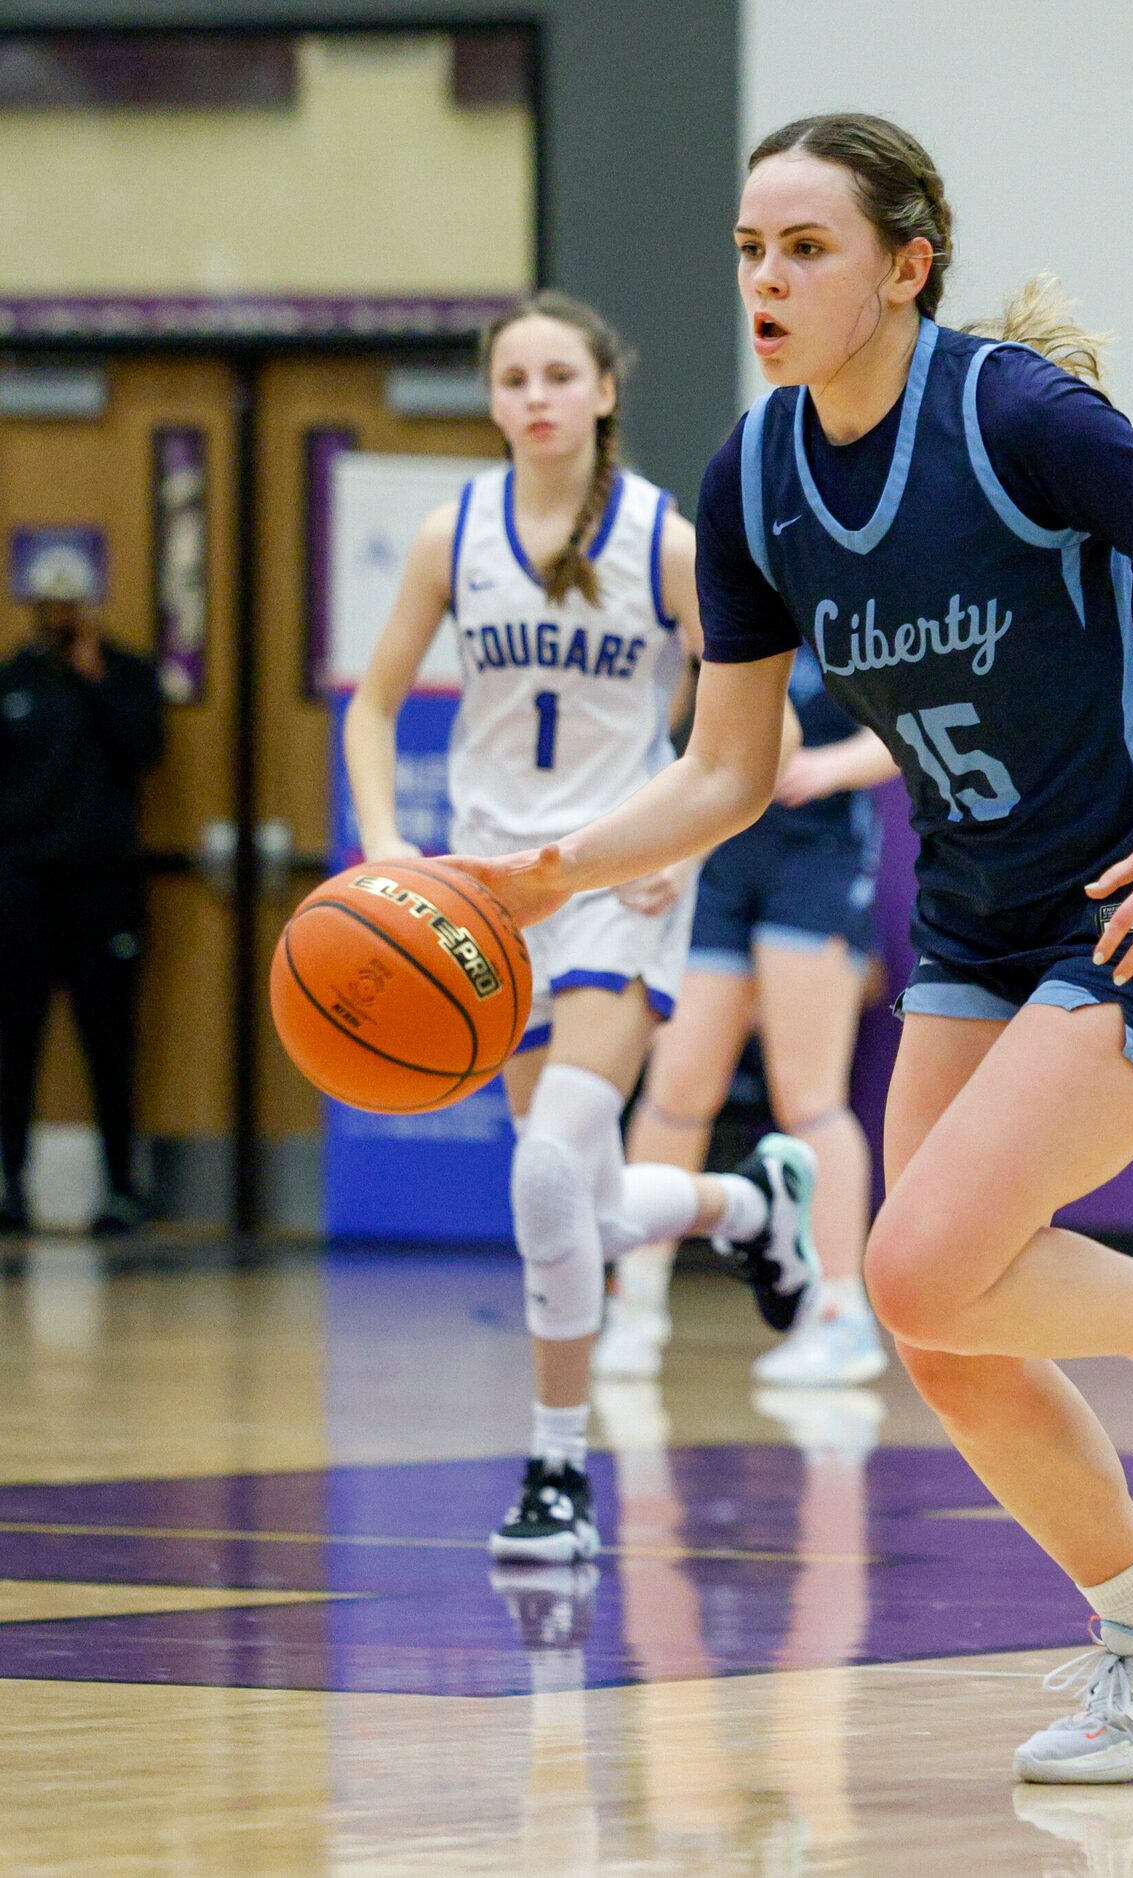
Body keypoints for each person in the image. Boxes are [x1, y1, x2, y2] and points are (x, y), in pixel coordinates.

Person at [451, 113, 1133, 1785]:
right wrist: (537, 873)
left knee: (914, 1263)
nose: (767, 280)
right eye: (749, 252)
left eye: (807, 250)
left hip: (1132, 904)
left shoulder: (1015, 417)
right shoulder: (755, 476)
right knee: (935, 1322)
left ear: (904, 266)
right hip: (977, 917)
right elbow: (727, 773)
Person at [343, 291, 819, 1567]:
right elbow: (373, 706)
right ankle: (745, 1206)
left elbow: (765, 734)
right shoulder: (453, 535)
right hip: (487, 904)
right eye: (515, 378)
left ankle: (556, 1471)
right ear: (494, 400)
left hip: (614, 883)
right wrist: (389, 847)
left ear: (606, 390)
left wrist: (688, 844)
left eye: (561, 374)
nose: (538, 396)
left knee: (549, 1174)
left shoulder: (667, 537)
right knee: (575, 1202)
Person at [596, 645, 901, 1389]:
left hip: (817, 854)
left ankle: (840, 1315)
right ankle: (635, 1305)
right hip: (720, 853)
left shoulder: (851, 599)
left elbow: (903, 730)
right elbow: (669, 729)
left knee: (809, 1096)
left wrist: (828, 767)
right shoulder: (718, 602)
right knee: (678, 1084)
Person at [0, 546, 164, 1234]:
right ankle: (11, 1184)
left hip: (103, 888)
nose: (61, 617)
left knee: (111, 1041)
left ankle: (122, 1185)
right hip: (24, 887)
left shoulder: (124, 675)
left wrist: (96, 681)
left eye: (73, 603)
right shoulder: (12, 680)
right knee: (14, 1041)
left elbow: (146, 753)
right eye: (50, 604)